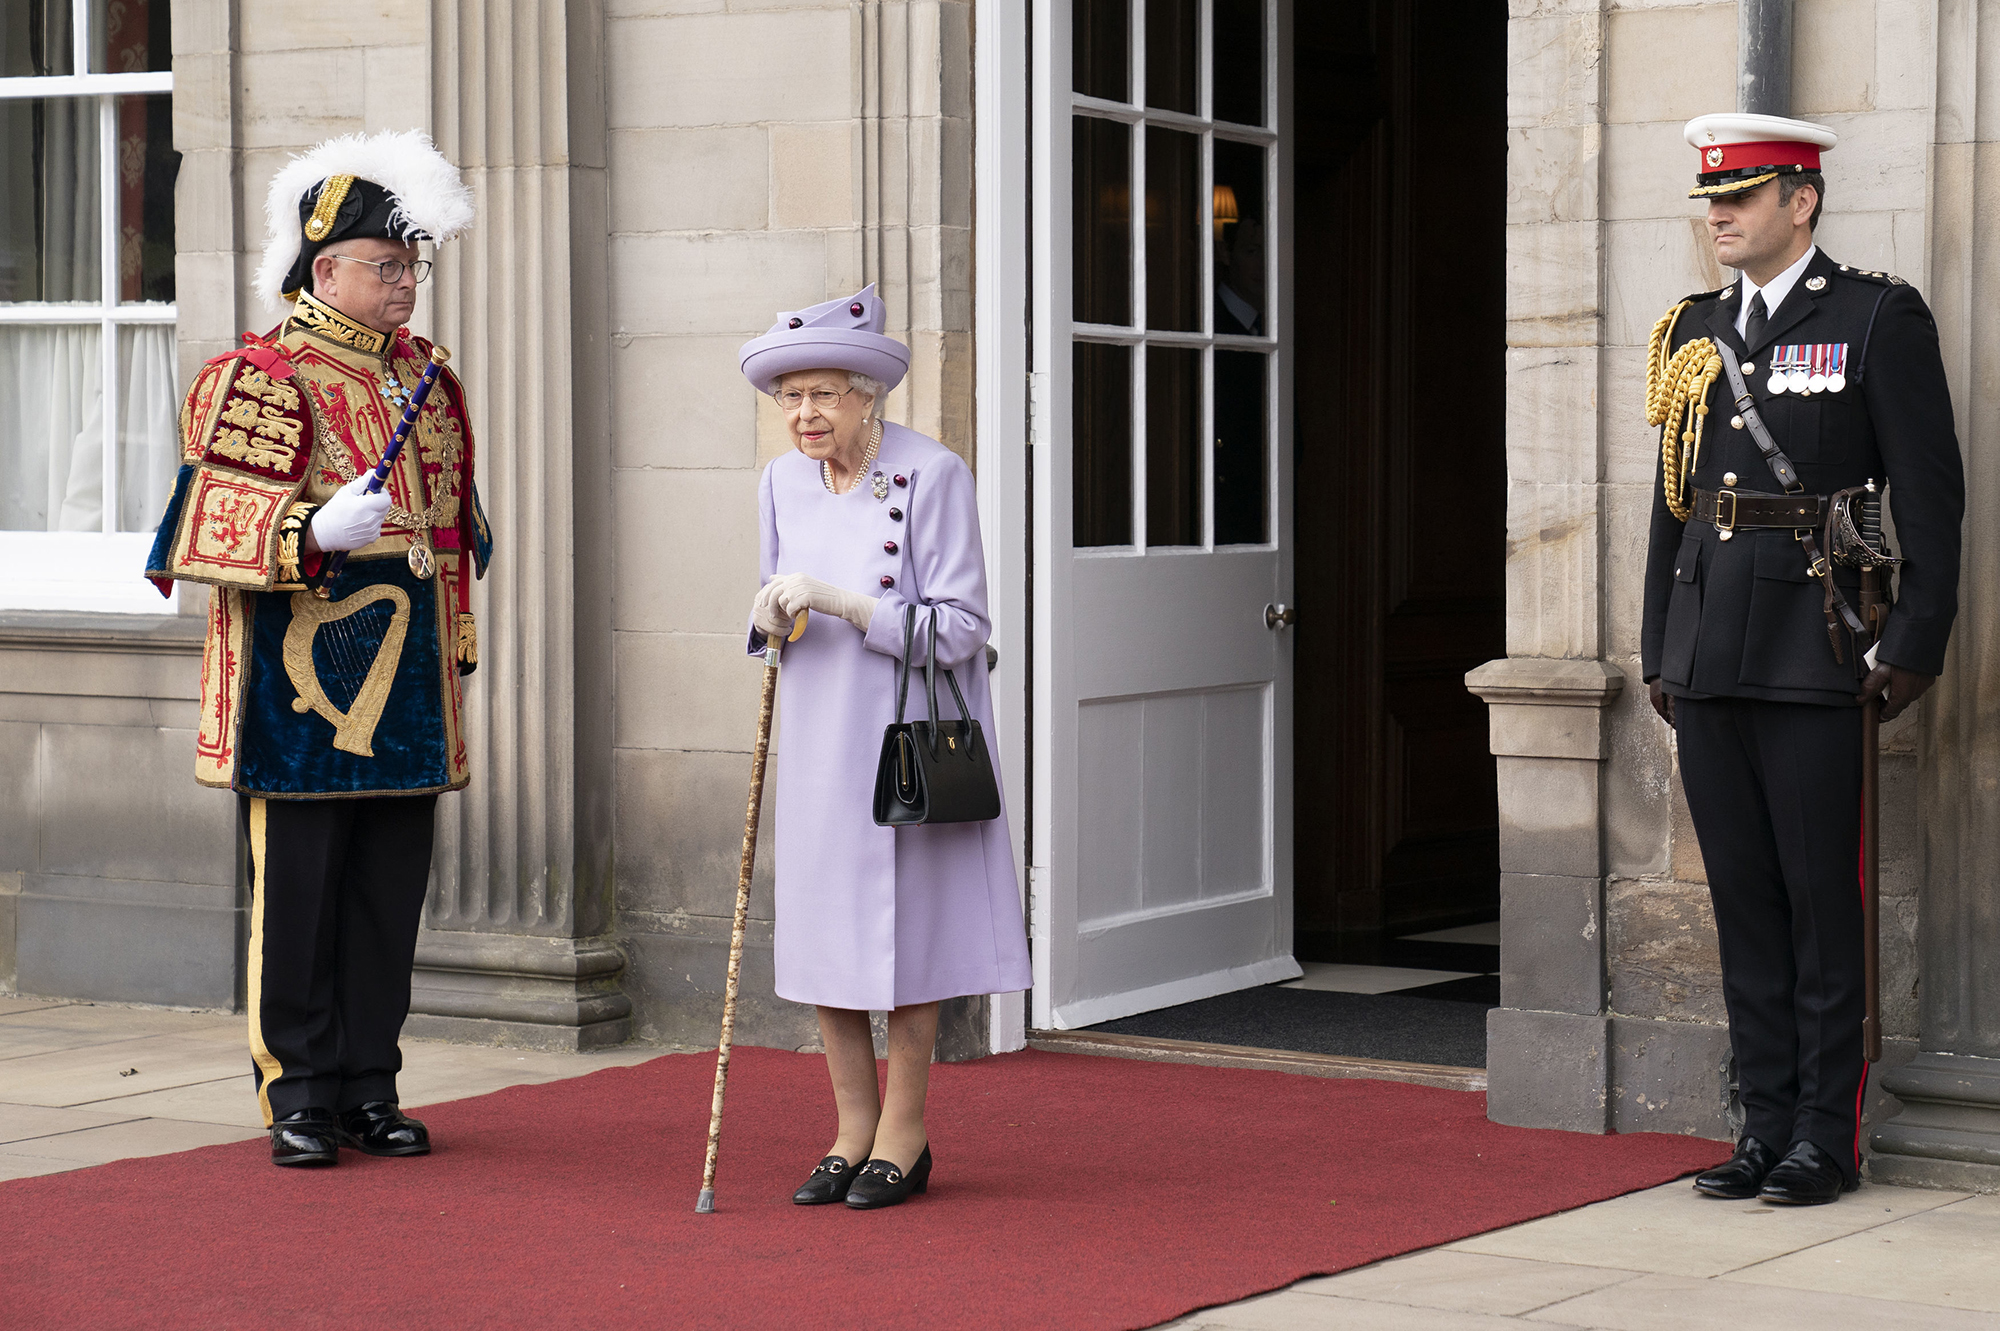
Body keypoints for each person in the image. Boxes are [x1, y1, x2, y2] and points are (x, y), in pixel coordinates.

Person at [144, 130, 489, 1167]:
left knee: (387, 896)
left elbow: (449, 534)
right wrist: (305, 532)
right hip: (295, 692)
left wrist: (455, 638)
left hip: (407, 684)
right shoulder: (259, 375)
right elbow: (198, 530)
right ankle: (295, 1088)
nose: (406, 285)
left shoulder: (427, 376)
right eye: (388, 266)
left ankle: (368, 1084)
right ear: (322, 264)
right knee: (296, 902)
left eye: (412, 265)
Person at [1641, 114, 1964, 1205]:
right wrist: (1657, 645)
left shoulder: (1875, 316)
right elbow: (1671, 507)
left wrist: (1913, 638)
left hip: (1815, 644)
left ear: (1801, 200)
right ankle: (1761, 1123)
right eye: (1710, 197)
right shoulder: (1691, 327)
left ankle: (1826, 1134)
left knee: (1820, 897)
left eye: (1741, 194)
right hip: (1707, 649)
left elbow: (1929, 489)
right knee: (1741, 898)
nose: (1718, 213)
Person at [738, 285, 1031, 1209]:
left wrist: (852, 604)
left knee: (909, 936)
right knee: (827, 930)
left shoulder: (932, 474)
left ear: (869, 394)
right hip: (822, 732)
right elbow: (774, 599)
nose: (805, 414)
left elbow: (964, 627)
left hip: (906, 734)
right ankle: (848, 1128)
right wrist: (767, 617)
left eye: (824, 393)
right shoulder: (780, 480)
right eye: (790, 396)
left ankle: (904, 1132)